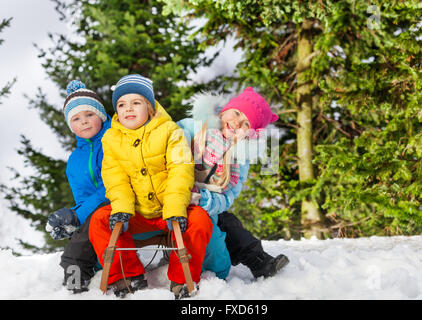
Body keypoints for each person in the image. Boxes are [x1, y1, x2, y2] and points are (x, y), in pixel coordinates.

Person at [87, 74, 213, 298]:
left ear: (150, 106)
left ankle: (181, 278)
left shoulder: (171, 132)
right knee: (99, 220)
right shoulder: (111, 140)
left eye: (136, 102)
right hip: (136, 212)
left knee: (200, 220)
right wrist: (122, 209)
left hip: (170, 209)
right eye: (121, 104)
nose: (128, 109)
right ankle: (128, 275)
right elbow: (116, 179)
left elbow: (180, 170)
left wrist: (175, 208)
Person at [177, 87, 289, 280]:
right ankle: (251, 258)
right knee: (224, 226)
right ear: (224, 110)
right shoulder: (192, 127)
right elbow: (168, 143)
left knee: (227, 224)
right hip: (174, 193)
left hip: (206, 204)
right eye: (236, 113)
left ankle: (257, 260)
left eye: (246, 123)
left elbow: (228, 197)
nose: (237, 122)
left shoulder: (239, 157)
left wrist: (203, 200)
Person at [45, 80, 111, 293]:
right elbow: (83, 199)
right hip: (95, 212)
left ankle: (77, 279)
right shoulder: (74, 161)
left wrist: (77, 215)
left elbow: (112, 184)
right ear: (70, 125)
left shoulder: (114, 139)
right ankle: (77, 281)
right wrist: (74, 220)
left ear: (100, 115)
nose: (84, 122)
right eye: (76, 118)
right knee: (80, 234)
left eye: (90, 115)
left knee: (86, 228)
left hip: (122, 202)